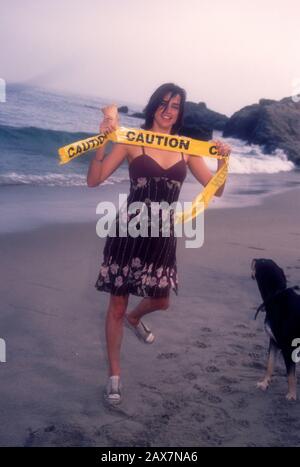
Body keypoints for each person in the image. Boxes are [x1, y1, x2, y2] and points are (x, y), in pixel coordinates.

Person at [87, 83, 230, 405]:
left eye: (175, 105)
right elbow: (94, 180)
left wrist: (222, 161)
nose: (168, 109)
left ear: (180, 112)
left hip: (163, 233)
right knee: (116, 306)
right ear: (154, 106)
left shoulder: (186, 148)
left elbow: (216, 190)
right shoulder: (132, 141)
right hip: (128, 231)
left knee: (162, 301)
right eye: (164, 103)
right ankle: (114, 378)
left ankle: (136, 319)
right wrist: (103, 141)